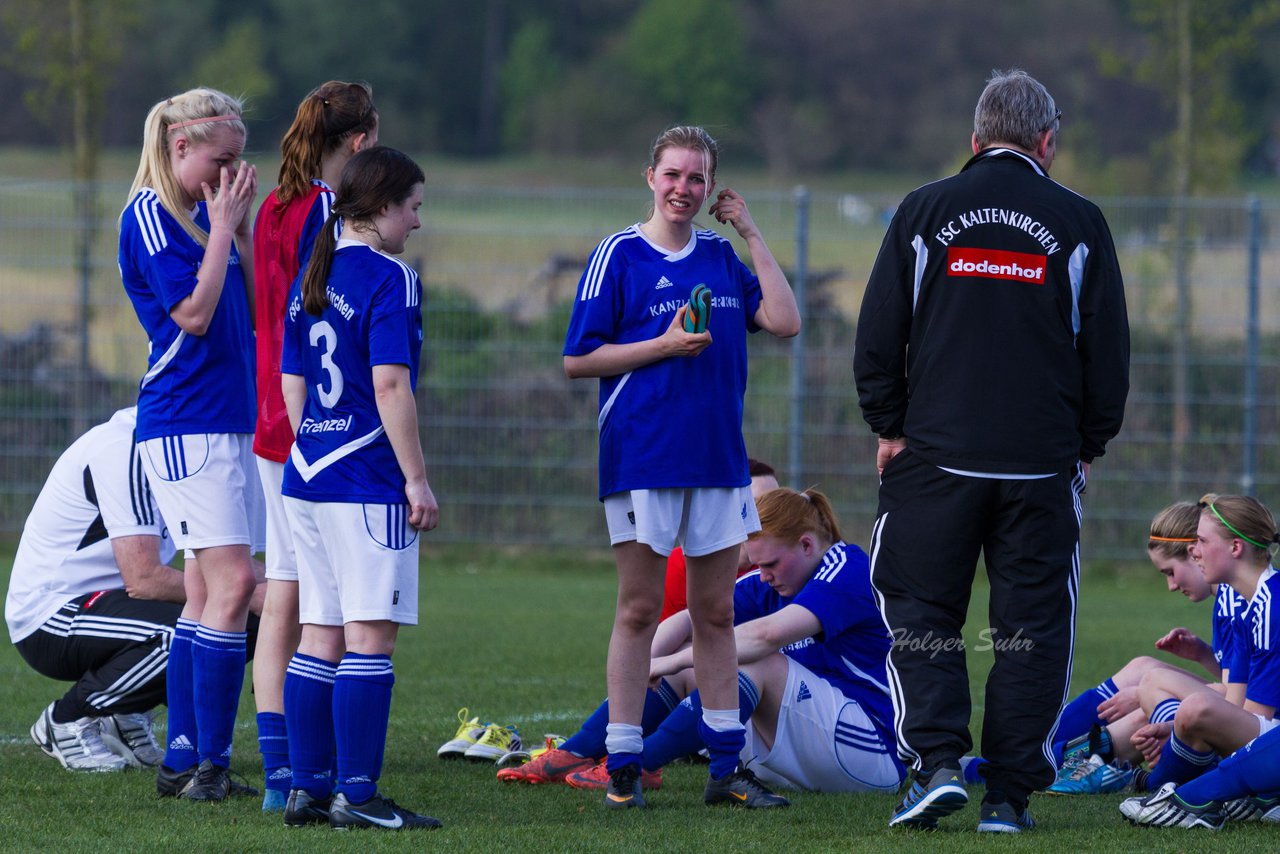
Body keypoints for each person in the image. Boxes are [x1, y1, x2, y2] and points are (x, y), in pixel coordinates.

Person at [853, 68, 1130, 832]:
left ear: (974, 141)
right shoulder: (1079, 221)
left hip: (934, 462)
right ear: (1047, 143)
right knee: (1030, 630)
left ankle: (938, 763)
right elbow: (1106, 354)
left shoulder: (922, 210)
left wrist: (890, 427)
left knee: (920, 610)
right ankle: (1007, 798)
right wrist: (1087, 445)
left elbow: (878, 336)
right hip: (1040, 467)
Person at [562, 125, 800, 809]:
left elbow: (783, 321)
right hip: (643, 457)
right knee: (639, 611)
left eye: (697, 178)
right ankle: (624, 765)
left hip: (718, 463)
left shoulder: (723, 259)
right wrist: (661, 346)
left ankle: (725, 771)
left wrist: (751, 231)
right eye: (672, 175)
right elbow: (579, 359)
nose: (683, 189)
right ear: (650, 177)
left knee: (715, 614)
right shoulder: (620, 255)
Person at [501, 489, 903, 805]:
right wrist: (649, 662)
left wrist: (671, 661)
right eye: (757, 565)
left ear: (806, 545)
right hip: (805, 749)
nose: (762, 576)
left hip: (870, 754)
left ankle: (638, 766)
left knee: (747, 662)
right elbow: (688, 619)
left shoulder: (846, 565)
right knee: (695, 665)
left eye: (771, 565)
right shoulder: (775, 580)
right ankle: (579, 752)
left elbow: (764, 638)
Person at [278, 145, 442, 831]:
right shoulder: (389, 276)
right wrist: (416, 478)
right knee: (369, 639)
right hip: (365, 478)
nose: (417, 223)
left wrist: (314, 442)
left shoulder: (312, 271)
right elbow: (390, 383)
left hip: (305, 477)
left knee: (318, 635)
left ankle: (308, 790)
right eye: (414, 207)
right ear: (381, 207)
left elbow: (291, 385)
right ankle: (359, 795)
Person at [118, 87, 264, 802]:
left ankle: (187, 762)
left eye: (239, 162)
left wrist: (234, 229)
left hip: (228, 419)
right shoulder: (150, 214)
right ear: (180, 148)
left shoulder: (206, 216)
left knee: (207, 591)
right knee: (234, 584)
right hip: (186, 421)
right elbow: (195, 316)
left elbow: (256, 309)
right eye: (221, 160)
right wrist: (220, 227)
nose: (231, 176)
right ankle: (211, 762)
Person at [11, 408, 267, 775]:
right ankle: (66, 719)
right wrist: (238, 589)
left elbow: (224, 559)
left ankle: (126, 715)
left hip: (115, 603)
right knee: (177, 635)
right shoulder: (124, 448)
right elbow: (144, 578)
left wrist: (282, 586)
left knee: (246, 619)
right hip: (52, 612)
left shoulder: (189, 448)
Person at [251, 80, 378, 812]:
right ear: (359, 143)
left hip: (273, 416)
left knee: (284, 597)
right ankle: (301, 770)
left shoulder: (272, 205)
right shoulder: (329, 209)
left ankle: (281, 771)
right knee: (306, 601)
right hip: (315, 424)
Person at [1045, 501, 1248, 794]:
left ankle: (1056, 758)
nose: (1171, 586)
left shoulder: (1234, 597)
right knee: (1144, 670)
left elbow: (1239, 701)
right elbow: (1244, 678)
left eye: (1170, 572)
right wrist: (1202, 654)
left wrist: (1144, 696)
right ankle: (1042, 746)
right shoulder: (1229, 596)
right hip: (1250, 717)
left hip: (1258, 731)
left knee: (1152, 689)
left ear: (1196, 552)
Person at [1123, 495, 1280, 796]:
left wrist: (1186, 730)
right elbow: (1238, 709)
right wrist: (1177, 729)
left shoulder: (1270, 605)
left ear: (1235, 548)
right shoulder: (1254, 606)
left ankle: (1170, 789)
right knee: (1190, 709)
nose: (1193, 551)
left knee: (1196, 707)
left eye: (1201, 541)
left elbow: (1257, 724)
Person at [659, 459, 780, 621]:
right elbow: (664, 641)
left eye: (777, 502)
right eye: (758, 503)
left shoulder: (782, 565)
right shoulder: (680, 564)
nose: (772, 512)